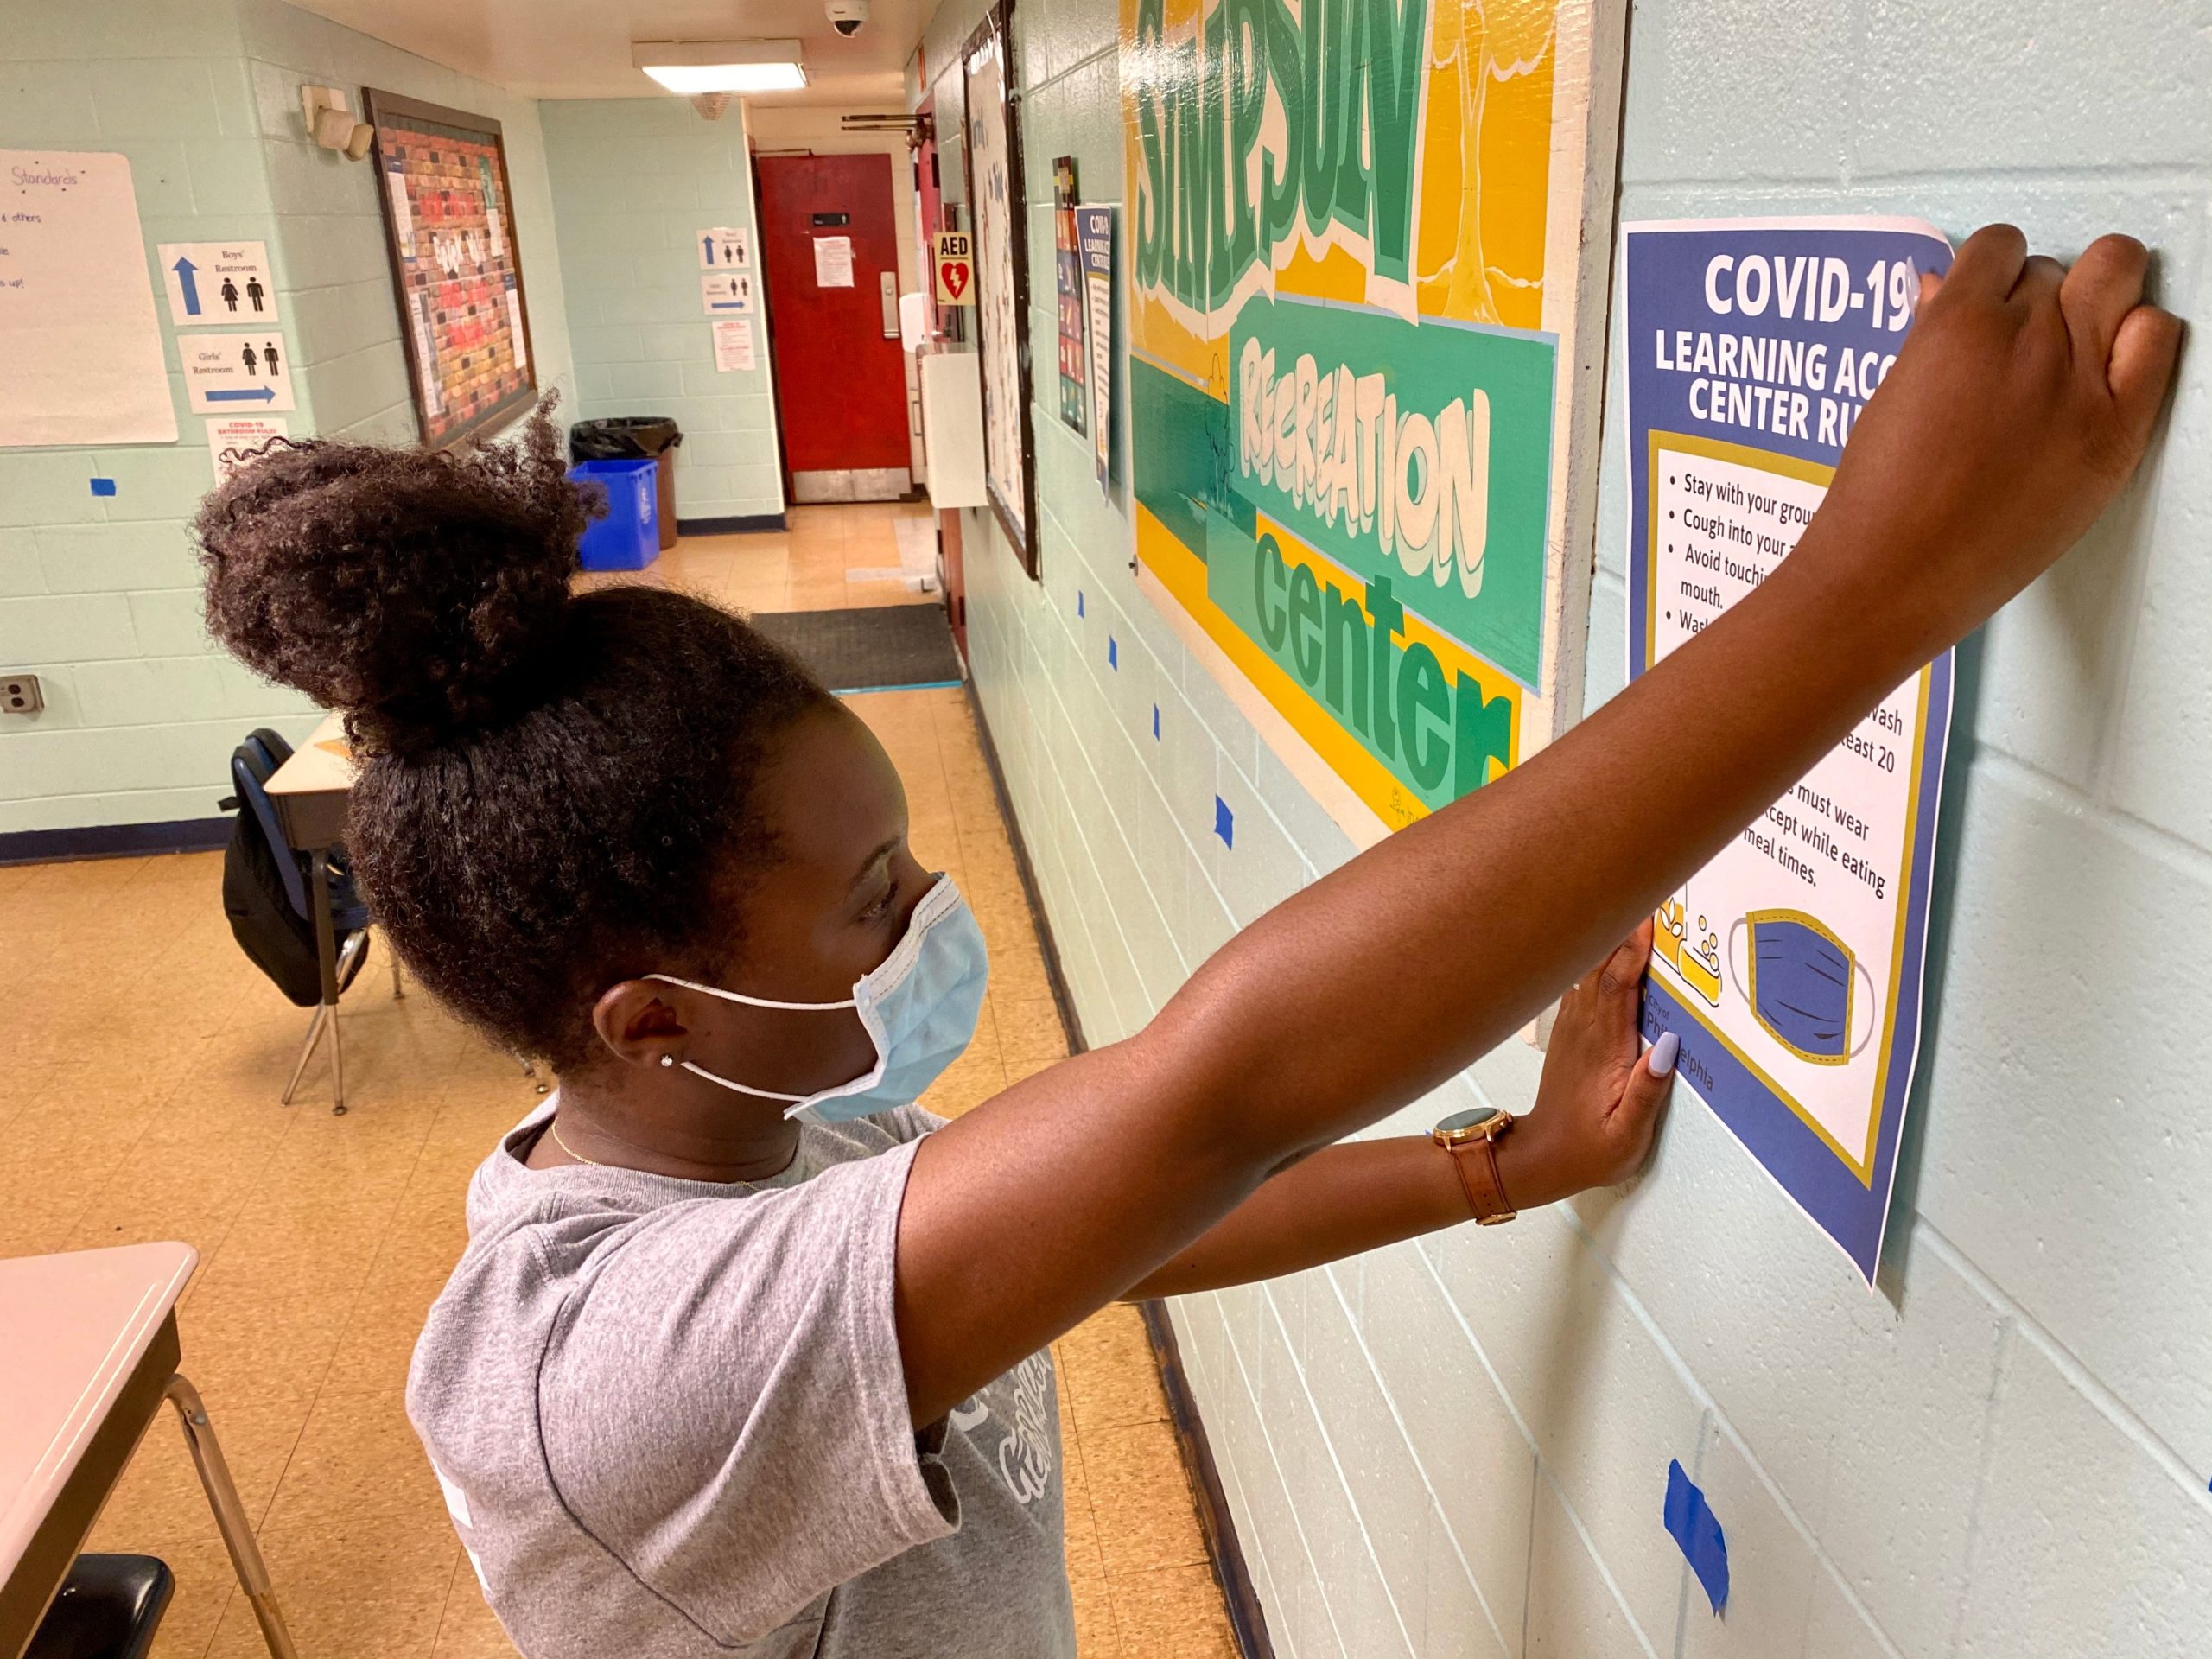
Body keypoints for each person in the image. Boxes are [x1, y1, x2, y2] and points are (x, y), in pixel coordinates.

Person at [193, 226, 2177, 1659]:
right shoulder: (606, 1375)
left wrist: (1500, 1167)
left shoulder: (766, 1133)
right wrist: (1870, 585)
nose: (925, 916)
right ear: (648, 1017)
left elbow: (1137, 1218)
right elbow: (1210, 1098)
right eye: (871, 901)